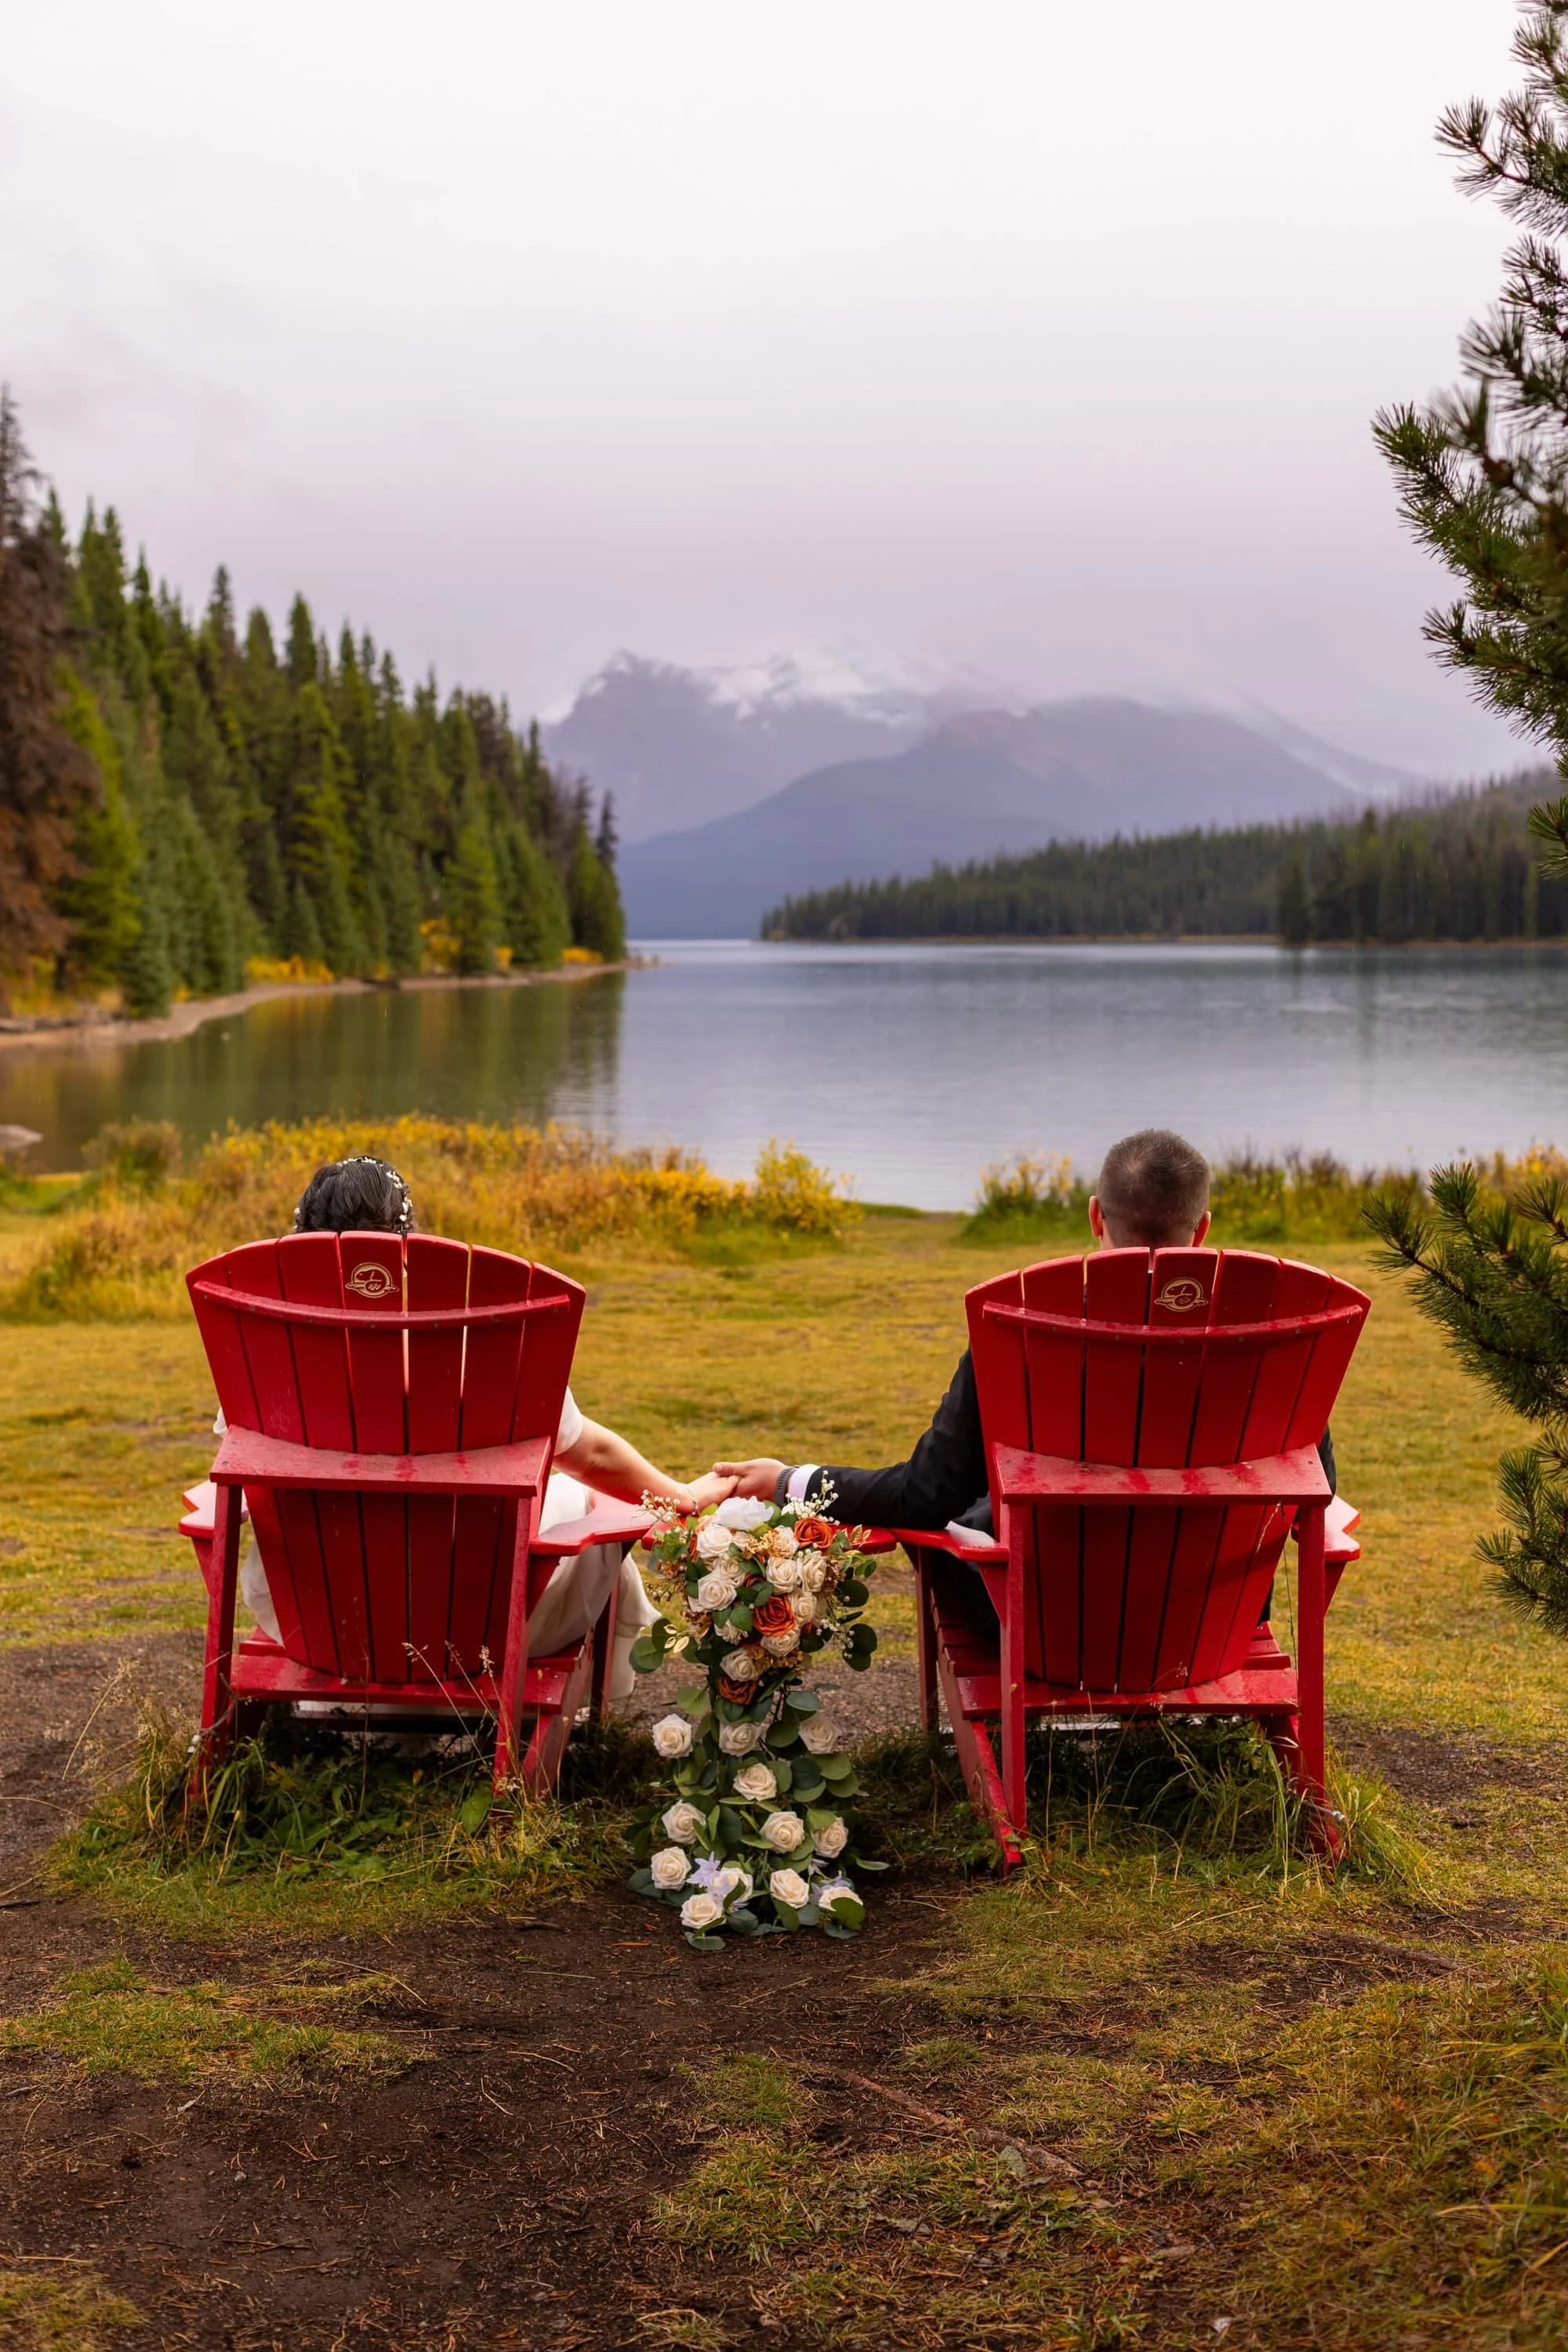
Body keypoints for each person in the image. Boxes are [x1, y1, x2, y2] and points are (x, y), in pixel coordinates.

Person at [230, 1155, 735, 1698]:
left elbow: (245, 1473)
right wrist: (683, 1497)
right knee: (583, 1498)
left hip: (316, 1626)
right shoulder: (484, 1344)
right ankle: (603, 1695)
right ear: (409, 1244)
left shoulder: (265, 1351)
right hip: (478, 1631)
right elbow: (592, 1457)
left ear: (300, 1241)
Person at [712, 1128, 1335, 1544]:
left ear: (1095, 1216)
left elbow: (924, 1497)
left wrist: (789, 1480)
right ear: (1201, 1230)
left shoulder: (1022, 1329)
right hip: (1213, 1633)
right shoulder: (1270, 1345)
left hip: (1043, 1626)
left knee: (970, 1518)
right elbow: (1317, 1497)